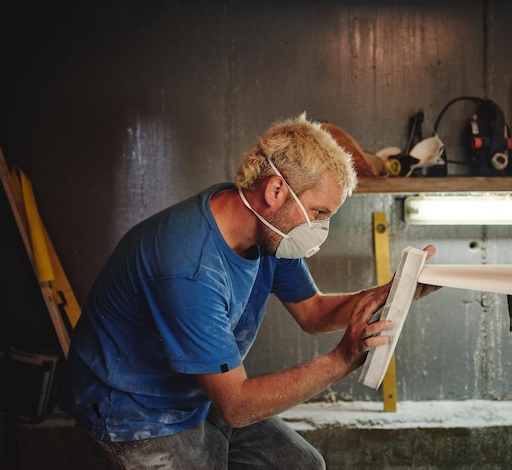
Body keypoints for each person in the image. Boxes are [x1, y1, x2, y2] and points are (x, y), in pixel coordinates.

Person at [60, 113, 437, 469]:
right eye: (319, 213)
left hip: (200, 396)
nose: (321, 227)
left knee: (301, 464)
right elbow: (237, 406)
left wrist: (395, 291)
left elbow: (314, 312)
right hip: (137, 413)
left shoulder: (268, 229)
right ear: (276, 189)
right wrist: (342, 359)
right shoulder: (189, 266)